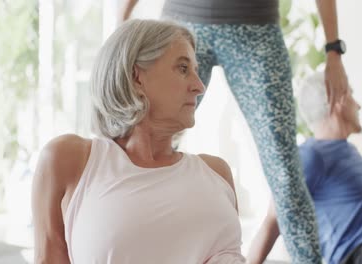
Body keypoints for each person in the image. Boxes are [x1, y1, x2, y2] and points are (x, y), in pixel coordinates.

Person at [121, 0, 350, 262]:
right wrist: (120, 25)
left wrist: (333, 50)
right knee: (139, 150)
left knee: (285, 175)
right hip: (181, 25)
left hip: (257, 30)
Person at [32, 19, 247, 263]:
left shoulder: (217, 172)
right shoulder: (69, 159)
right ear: (137, 77)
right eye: (183, 68)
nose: (198, 86)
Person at [247, 72, 362, 264]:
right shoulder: (310, 156)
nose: (358, 105)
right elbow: (273, 220)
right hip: (355, 255)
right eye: (351, 95)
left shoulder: (346, 148)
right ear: (337, 100)